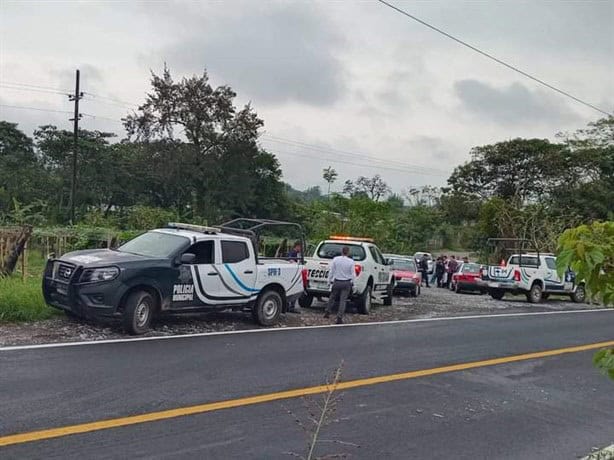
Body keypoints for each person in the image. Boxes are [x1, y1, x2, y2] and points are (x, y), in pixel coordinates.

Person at [324, 246, 356, 324]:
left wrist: (329, 280)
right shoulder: (351, 261)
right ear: (348, 252)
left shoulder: (336, 259)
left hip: (337, 281)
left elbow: (332, 271)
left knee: (332, 297)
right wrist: (354, 284)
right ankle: (339, 317)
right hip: (346, 282)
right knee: (343, 300)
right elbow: (353, 274)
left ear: (341, 251)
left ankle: (327, 312)